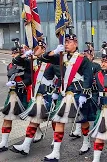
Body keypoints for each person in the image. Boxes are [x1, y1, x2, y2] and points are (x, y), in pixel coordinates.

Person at [40, 33, 93, 161]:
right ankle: (56, 152)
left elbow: (88, 77)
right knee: (59, 120)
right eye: (66, 42)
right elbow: (44, 58)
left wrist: (84, 94)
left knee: (82, 120)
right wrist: (54, 51)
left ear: (75, 44)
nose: (66, 44)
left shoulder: (82, 59)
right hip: (64, 93)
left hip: (78, 92)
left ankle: (86, 142)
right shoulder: (61, 57)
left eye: (69, 42)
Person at [10, 40, 61, 155]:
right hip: (36, 96)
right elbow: (15, 61)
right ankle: (26, 145)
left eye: (37, 48)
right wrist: (24, 55)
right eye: (34, 48)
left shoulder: (51, 63)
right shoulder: (31, 62)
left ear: (43, 49)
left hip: (48, 96)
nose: (35, 50)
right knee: (35, 119)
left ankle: (55, 142)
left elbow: (61, 78)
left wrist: (56, 92)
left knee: (53, 120)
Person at [0, 40, 32, 153]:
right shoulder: (10, 65)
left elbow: (31, 78)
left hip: (24, 93)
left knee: (32, 118)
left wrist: (20, 83)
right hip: (13, 93)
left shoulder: (26, 63)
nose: (13, 55)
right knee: (7, 117)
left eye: (16, 53)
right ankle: (4, 142)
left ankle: (35, 135)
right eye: (13, 53)